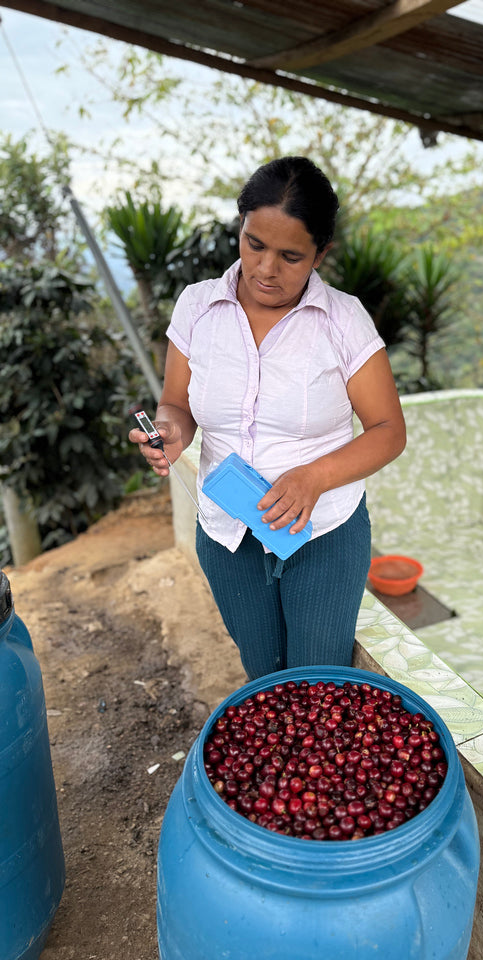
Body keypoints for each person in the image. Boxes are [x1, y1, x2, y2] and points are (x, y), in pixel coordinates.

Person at [129, 156, 406, 681]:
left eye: (291, 256)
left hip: (322, 532)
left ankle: (313, 765)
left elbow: (390, 432)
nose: (265, 269)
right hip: (227, 531)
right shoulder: (197, 308)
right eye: (254, 243)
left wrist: (313, 478)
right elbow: (177, 404)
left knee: (317, 682)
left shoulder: (343, 321)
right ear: (240, 226)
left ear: (321, 254)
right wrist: (169, 433)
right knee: (263, 676)